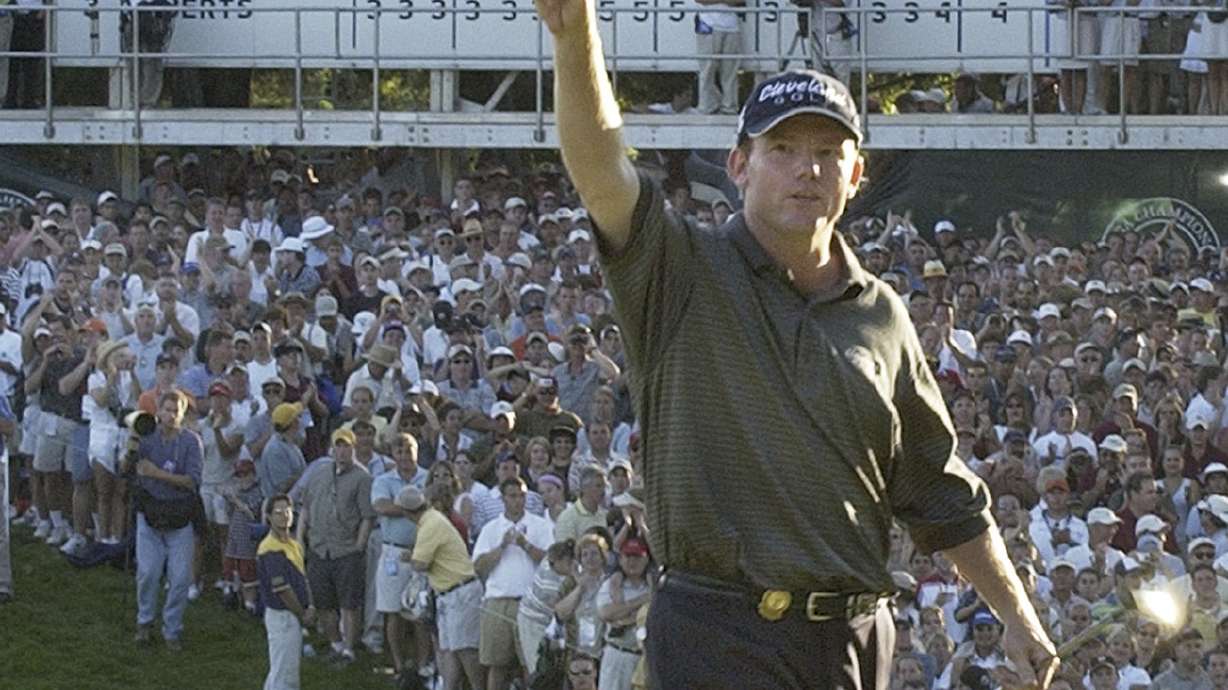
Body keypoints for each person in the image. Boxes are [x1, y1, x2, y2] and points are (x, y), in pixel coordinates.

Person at [537, 0, 1058, 679]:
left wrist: (1017, 614)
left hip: (852, 641)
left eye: (826, 153)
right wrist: (575, 31)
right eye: (782, 149)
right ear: (739, 164)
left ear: (856, 175)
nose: (806, 170)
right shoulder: (679, 269)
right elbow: (600, 166)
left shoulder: (883, 314)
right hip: (717, 634)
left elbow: (938, 491)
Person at [129, 390, 203, 652]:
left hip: (180, 518)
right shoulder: (147, 438)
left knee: (181, 577)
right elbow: (130, 469)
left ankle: (172, 627)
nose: (170, 415)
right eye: (166, 409)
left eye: (176, 410)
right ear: (158, 411)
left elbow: (192, 481)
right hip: (150, 515)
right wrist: (131, 445)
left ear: (183, 414)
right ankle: (145, 621)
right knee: (147, 572)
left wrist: (157, 474)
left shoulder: (191, 442)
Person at [296, 427, 375, 667]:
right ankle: (335, 644)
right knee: (323, 602)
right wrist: (300, 538)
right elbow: (306, 508)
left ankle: (350, 650)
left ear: (353, 448)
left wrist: (359, 545)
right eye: (338, 446)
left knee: (349, 603)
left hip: (346, 550)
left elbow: (367, 517)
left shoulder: (362, 478)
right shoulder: (318, 473)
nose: (342, 451)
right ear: (332, 448)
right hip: (319, 548)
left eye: (347, 446)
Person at [472, 477, 554, 690]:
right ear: (503, 498)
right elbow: (478, 566)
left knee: (531, 664)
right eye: (513, 496)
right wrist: (502, 546)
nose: (518, 501)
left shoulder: (541, 526)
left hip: (531, 603)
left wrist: (525, 545)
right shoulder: (491, 528)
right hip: (498, 603)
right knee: (496, 664)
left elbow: (551, 563)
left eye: (522, 496)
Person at [405, 484, 485, 690]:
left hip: (460, 592)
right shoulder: (431, 519)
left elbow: (420, 564)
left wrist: (410, 558)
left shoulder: (430, 524)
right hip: (447, 594)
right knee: (448, 649)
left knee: (466, 650)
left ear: (406, 512)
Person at [257, 493, 316, 690]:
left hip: (292, 615)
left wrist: (311, 606)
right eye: (278, 512)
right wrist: (302, 614)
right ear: (268, 517)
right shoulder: (270, 548)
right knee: (286, 674)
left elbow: (302, 576)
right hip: (283, 616)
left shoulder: (293, 544)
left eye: (288, 511)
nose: (284, 515)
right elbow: (282, 589)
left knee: (281, 669)